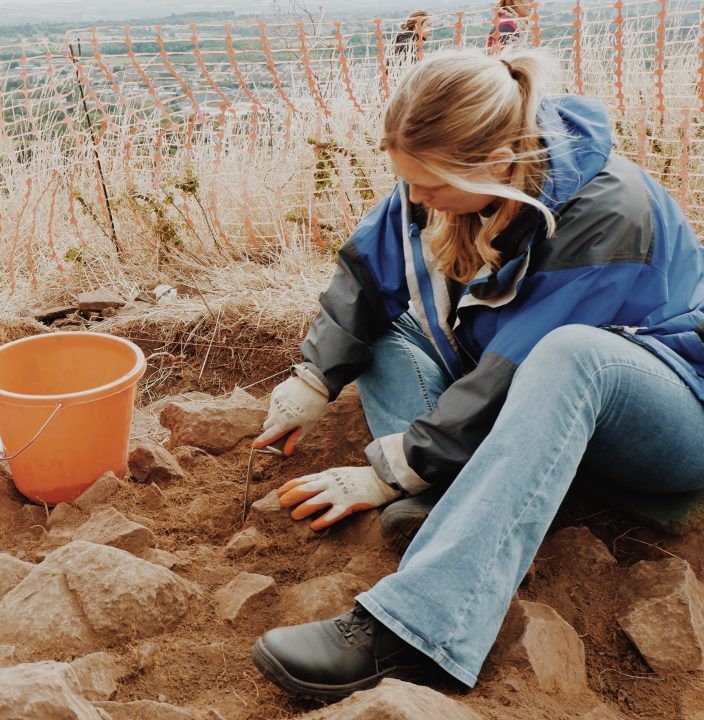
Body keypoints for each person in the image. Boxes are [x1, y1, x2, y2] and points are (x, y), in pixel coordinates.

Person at [248, 47, 704, 700]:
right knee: (387, 328)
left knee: (570, 353)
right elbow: (373, 270)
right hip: (534, 397)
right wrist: (313, 379)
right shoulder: (469, 165)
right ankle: (451, 505)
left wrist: (390, 468)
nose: (414, 198)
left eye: (427, 185)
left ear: (492, 164)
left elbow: (515, 367)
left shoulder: (610, 212)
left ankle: (420, 631)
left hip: (668, 415)